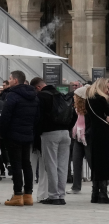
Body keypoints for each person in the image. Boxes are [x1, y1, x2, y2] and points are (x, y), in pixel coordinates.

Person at [0, 70, 40, 206]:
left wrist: (3, 133)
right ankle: (28, 194)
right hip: (28, 133)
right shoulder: (33, 96)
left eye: (10, 78)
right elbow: (37, 117)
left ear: (15, 80)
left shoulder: (13, 95)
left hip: (13, 134)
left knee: (16, 165)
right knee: (26, 163)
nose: (9, 80)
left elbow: (5, 116)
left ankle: (17, 195)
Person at [35, 76, 74, 205]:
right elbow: (72, 115)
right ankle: (61, 195)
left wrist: (38, 133)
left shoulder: (42, 97)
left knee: (51, 165)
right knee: (62, 166)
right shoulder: (61, 95)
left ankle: (53, 196)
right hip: (65, 134)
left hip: (49, 133)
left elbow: (38, 118)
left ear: (38, 87)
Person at [84, 78, 109, 203]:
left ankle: (95, 193)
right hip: (104, 132)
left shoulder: (88, 99)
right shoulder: (102, 99)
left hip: (93, 132)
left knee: (95, 162)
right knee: (104, 162)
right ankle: (103, 194)